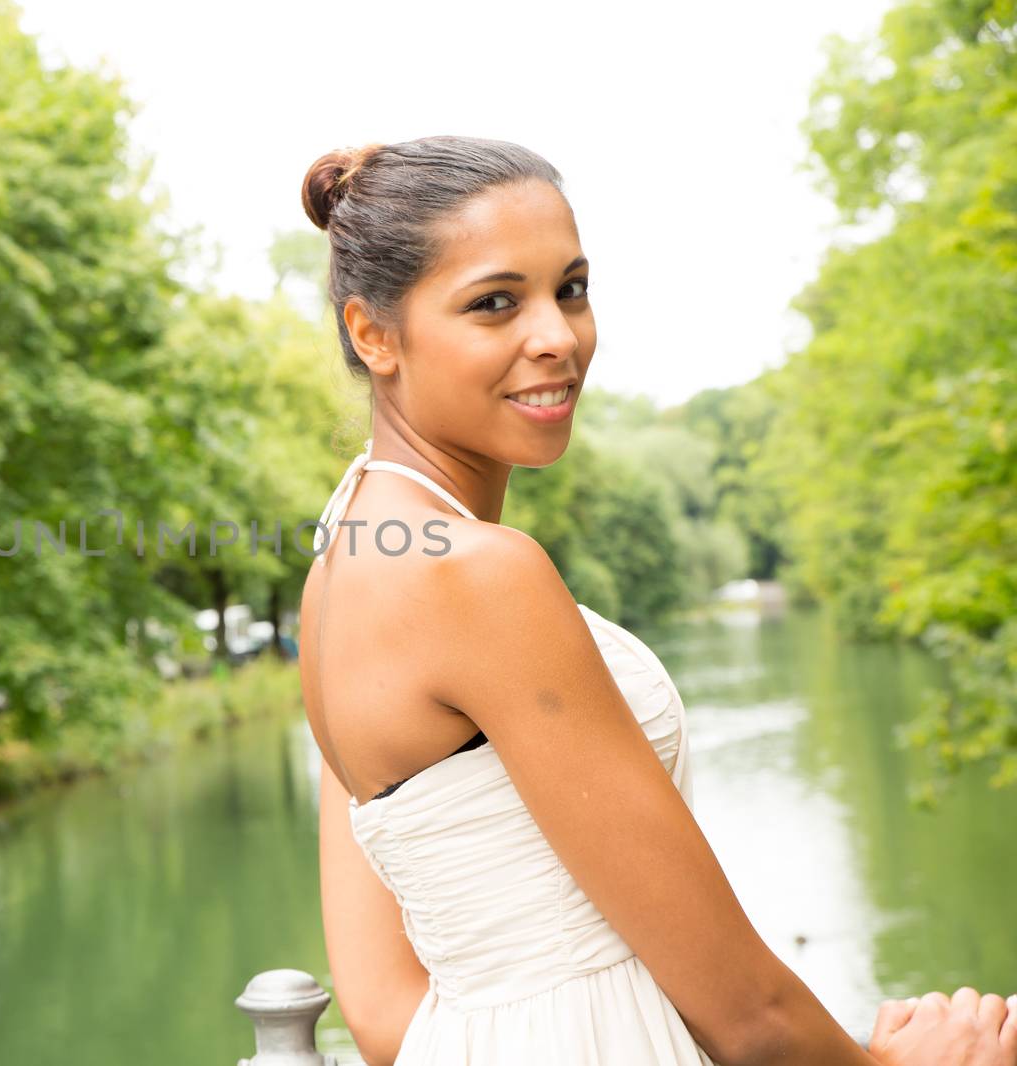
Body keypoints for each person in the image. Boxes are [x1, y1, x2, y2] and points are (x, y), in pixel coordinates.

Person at [294, 136, 1017, 1066]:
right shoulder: (479, 574)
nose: (557, 334)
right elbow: (750, 1018)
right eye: (495, 302)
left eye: (574, 288)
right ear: (373, 334)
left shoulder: (339, 568)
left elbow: (383, 1014)